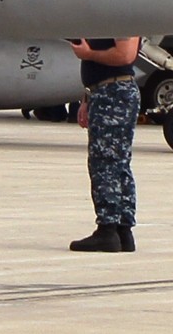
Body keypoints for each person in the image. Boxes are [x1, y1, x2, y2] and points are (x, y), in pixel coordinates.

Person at [68, 35, 141, 252]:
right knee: (118, 162)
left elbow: (125, 55)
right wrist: (87, 98)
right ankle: (122, 230)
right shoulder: (112, 17)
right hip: (104, 91)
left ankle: (108, 229)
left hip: (114, 93)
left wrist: (88, 54)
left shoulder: (122, 16)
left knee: (105, 163)